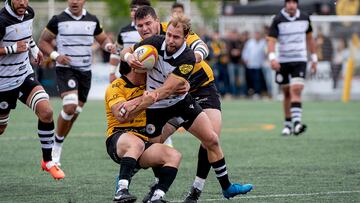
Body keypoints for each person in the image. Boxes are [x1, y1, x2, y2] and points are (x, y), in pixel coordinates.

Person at [121, 14, 253, 202]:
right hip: (157, 108)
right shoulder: (155, 42)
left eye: (176, 37)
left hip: (180, 103)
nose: (170, 40)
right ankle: (138, 184)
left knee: (212, 140)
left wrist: (138, 104)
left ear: (186, 38)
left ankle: (226, 187)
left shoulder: (188, 57)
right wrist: (129, 57)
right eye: (169, 36)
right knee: (152, 151)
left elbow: (168, 89)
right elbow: (125, 50)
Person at [38, 0, 116, 166]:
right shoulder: (58, 20)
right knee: (70, 106)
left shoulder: (92, 20)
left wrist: (109, 46)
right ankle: (56, 148)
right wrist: (56, 56)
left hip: (85, 73)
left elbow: (102, 40)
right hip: (66, 70)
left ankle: (58, 143)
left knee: (74, 114)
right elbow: (43, 42)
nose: (74, 1)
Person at [0, 0, 64, 179]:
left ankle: (48, 160)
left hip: (24, 77)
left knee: (46, 111)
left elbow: (27, 38)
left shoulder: (29, 12)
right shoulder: (2, 20)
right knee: (1, 129)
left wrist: (34, 50)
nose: (22, 2)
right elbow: (15, 45)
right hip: (3, 84)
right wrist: (12, 48)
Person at [105, 64, 183, 203]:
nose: (150, 73)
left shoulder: (150, 85)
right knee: (136, 143)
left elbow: (173, 85)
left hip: (144, 141)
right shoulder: (116, 87)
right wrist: (144, 103)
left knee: (174, 155)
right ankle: (121, 191)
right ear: (135, 69)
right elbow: (121, 116)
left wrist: (184, 85)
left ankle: (156, 197)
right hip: (118, 137)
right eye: (147, 69)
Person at [267, 0, 317, 136]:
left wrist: (314, 58)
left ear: (297, 4)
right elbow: (271, 41)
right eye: (289, 2)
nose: (291, 5)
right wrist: (272, 58)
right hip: (283, 61)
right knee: (287, 93)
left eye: (294, 2)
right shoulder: (277, 19)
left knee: (296, 89)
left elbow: (310, 39)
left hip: (299, 59)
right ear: (285, 4)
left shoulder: (305, 18)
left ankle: (297, 123)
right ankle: (288, 124)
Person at [109, 0, 151, 83]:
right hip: (126, 75)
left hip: (147, 75)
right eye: (132, 10)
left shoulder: (151, 30)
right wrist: (112, 73)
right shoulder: (124, 31)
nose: (133, 13)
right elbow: (116, 52)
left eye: (136, 10)